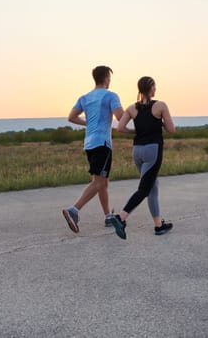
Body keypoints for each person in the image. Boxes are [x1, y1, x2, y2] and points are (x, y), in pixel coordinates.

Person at [107, 76, 175, 239]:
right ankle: (121, 217)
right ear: (151, 88)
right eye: (154, 86)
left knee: (152, 186)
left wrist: (135, 132)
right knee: (145, 189)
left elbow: (120, 128)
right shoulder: (160, 105)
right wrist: (160, 123)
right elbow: (171, 129)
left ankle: (158, 225)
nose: (155, 89)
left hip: (137, 151)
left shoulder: (132, 108)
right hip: (153, 150)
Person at [62, 65, 124, 233]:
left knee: (102, 181)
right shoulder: (111, 96)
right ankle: (73, 210)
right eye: (109, 79)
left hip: (89, 143)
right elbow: (120, 117)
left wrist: (87, 123)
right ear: (105, 79)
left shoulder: (85, 97)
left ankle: (107, 216)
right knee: (98, 182)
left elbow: (71, 117)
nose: (110, 82)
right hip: (103, 143)